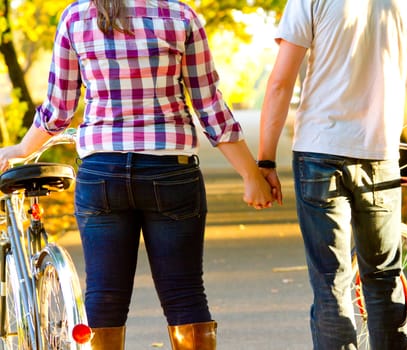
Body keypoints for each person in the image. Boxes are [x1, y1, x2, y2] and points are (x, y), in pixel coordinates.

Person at [0, 0, 275, 349]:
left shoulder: (77, 16)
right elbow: (209, 106)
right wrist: (251, 174)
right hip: (170, 171)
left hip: (102, 173)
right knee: (184, 293)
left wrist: (22, 149)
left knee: (104, 295)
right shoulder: (180, 15)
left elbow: (59, 109)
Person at [257, 1, 407, 349]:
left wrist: (265, 161)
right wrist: (383, 127)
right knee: (384, 278)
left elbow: (281, 82)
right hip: (379, 153)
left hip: (319, 150)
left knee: (331, 281)